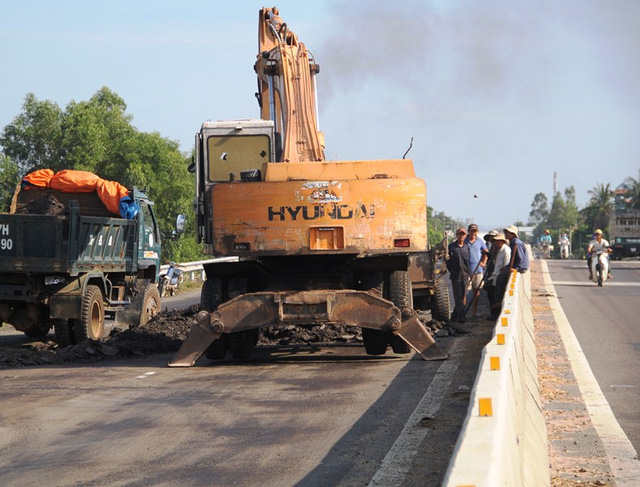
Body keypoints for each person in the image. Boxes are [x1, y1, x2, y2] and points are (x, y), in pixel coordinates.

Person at [446, 227, 471, 323]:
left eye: (463, 234)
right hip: (455, 275)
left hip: (465, 275)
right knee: (458, 297)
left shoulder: (466, 247)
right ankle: (461, 316)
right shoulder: (451, 247)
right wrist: (451, 270)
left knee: (463, 295)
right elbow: (447, 260)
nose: (461, 236)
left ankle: (455, 314)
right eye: (460, 234)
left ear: (465, 236)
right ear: (457, 235)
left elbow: (469, 261)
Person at [465, 223, 488, 318]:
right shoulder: (465, 241)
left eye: (475, 231)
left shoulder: (480, 241)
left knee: (476, 292)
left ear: (477, 232)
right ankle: (463, 311)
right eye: (471, 231)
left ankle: (474, 312)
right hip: (467, 271)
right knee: (465, 292)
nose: (473, 233)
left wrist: (483, 262)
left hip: (478, 270)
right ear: (468, 231)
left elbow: (486, 252)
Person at [486, 233, 511, 319]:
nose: (495, 243)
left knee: (497, 297)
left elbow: (506, 266)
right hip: (494, 275)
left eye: (496, 241)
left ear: (502, 241)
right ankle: (493, 313)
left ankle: (495, 314)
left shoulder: (506, 251)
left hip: (500, 278)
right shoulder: (497, 250)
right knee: (490, 292)